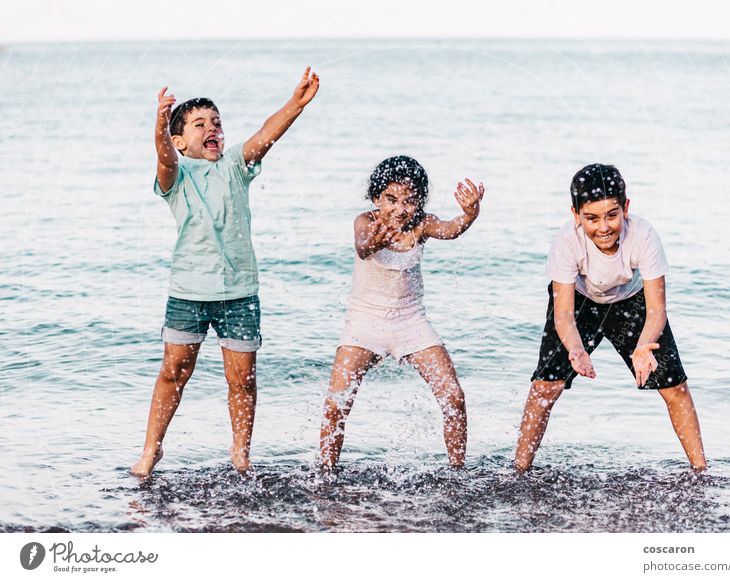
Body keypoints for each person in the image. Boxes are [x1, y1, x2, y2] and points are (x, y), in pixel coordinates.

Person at [130, 68, 320, 478]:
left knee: (243, 381)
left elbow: (265, 135)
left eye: (216, 122)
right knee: (173, 373)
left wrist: (296, 105)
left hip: (238, 292)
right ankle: (151, 450)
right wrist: (160, 124)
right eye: (199, 124)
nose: (212, 128)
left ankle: (240, 454)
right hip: (188, 291)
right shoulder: (177, 175)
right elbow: (163, 157)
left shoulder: (234, 164)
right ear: (181, 141)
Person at [515, 163, 707, 472]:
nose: (603, 227)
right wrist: (576, 350)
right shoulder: (566, 242)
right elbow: (562, 313)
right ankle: (519, 470)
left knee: (676, 388)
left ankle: (701, 471)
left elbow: (657, 309)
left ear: (625, 208)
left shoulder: (643, 235)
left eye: (611, 215)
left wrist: (644, 346)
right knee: (544, 387)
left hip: (630, 303)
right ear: (576, 215)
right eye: (591, 218)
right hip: (580, 303)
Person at [319, 155, 485, 469]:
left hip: (411, 321)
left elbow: (451, 230)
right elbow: (362, 246)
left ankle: (458, 470)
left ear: (420, 202)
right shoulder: (366, 221)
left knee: (453, 398)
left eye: (409, 201)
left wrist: (470, 214)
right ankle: (326, 471)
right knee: (336, 403)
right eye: (391, 200)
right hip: (364, 323)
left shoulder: (421, 223)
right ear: (376, 199)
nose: (400, 209)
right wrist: (377, 238)